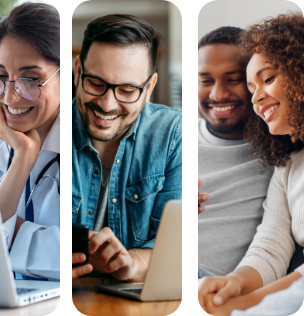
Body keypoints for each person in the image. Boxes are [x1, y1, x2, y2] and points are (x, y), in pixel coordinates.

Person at [199, 12, 304, 316]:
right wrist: (233, 284)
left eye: (267, 79)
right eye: (252, 88)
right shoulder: (286, 166)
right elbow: (270, 246)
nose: (257, 98)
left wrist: (244, 304)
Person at [72, 14, 182, 281]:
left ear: (149, 88)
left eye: (128, 90)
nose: (107, 105)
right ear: (77, 70)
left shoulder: (173, 134)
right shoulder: (46, 128)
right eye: (96, 83)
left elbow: (177, 245)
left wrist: (132, 262)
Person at [0, 2, 70, 280]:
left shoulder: (93, 148)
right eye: (1, 77)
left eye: (31, 80)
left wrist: (7, 236)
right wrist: (22, 158)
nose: (11, 98)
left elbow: (83, 255)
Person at [197, 26, 274, 278]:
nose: (218, 94)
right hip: (151, 274)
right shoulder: (170, 141)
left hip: (223, 288)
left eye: (233, 79)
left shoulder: (281, 150)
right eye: (205, 81)